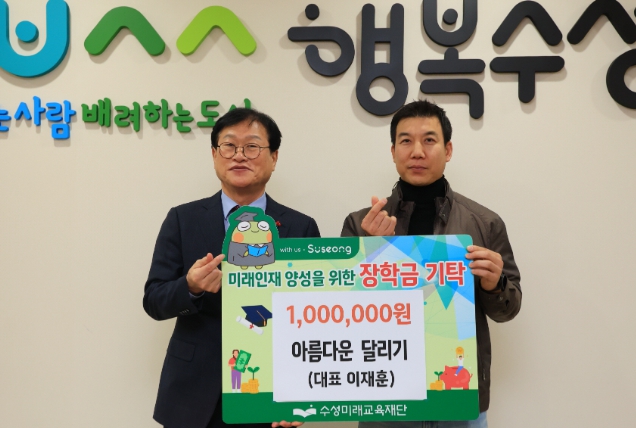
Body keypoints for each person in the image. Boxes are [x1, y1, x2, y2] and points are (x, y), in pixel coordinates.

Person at [341, 100, 521, 428]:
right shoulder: (361, 224)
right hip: (385, 390)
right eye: (406, 141)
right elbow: (342, 311)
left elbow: (507, 311)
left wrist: (494, 284)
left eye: (429, 140)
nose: (417, 152)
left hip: (458, 393)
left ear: (448, 150)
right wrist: (371, 252)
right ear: (393, 151)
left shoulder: (484, 223)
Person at [144, 108, 318, 428]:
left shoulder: (301, 226)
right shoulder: (183, 219)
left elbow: (310, 319)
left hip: (267, 392)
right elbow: (154, 300)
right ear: (214, 155)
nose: (239, 155)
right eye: (229, 146)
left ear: (274, 157)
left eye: (252, 146)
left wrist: (298, 394)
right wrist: (191, 286)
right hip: (193, 395)